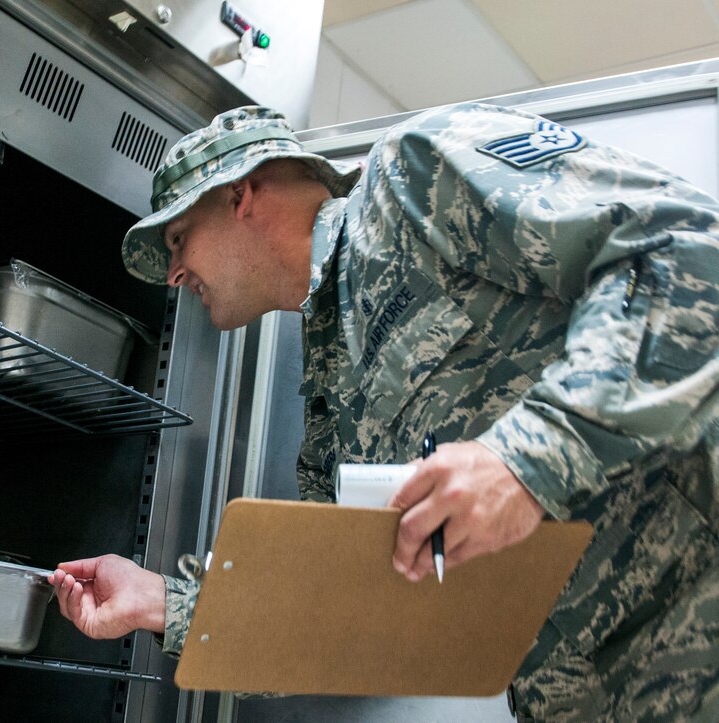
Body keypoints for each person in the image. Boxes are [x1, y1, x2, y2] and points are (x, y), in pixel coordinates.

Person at [47, 103, 719, 721]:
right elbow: (351, 612)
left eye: (177, 241)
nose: (173, 275)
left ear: (239, 194)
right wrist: (162, 601)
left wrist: (524, 461)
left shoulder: (411, 179)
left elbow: (681, 251)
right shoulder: (329, 401)